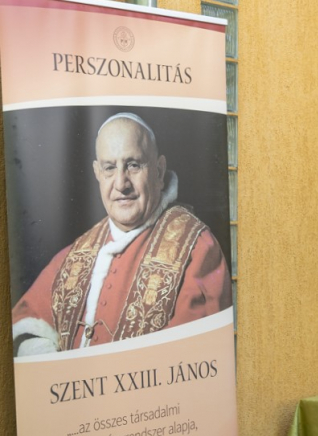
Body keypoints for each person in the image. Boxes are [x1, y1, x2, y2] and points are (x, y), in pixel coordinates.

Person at [10, 112, 231, 356]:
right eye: (109, 168)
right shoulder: (77, 252)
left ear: (159, 171)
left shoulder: (197, 249)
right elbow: (27, 323)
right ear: (97, 172)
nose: (121, 184)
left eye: (133, 165)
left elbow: (189, 357)